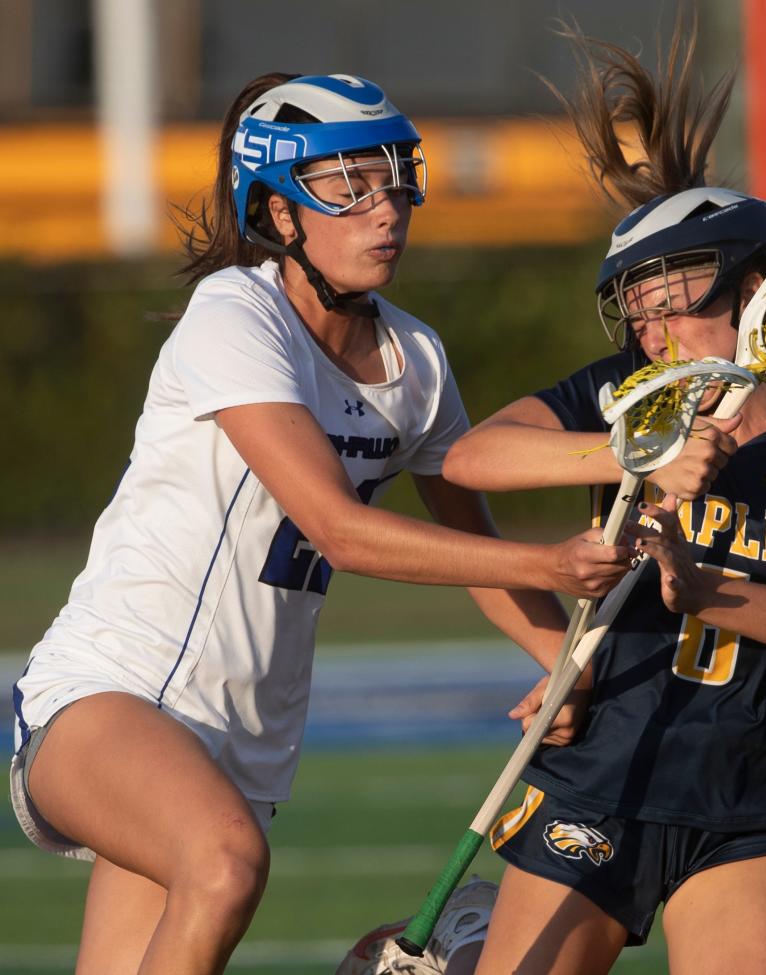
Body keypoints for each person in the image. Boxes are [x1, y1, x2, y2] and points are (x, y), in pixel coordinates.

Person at [7, 71, 657, 975]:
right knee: (224, 862)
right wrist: (560, 561)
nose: (383, 209)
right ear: (279, 215)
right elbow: (339, 529)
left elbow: (477, 552)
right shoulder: (236, 314)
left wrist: (560, 664)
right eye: (346, 187)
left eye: (392, 179)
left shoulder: (416, 358)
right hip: (113, 691)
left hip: (244, 739)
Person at [347, 21, 766, 975]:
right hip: (598, 781)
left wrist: (706, 591)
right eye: (635, 306)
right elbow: (474, 458)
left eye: (674, 294)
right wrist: (633, 453)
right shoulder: (625, 397)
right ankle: (478, 943)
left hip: (749, 804)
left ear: (762, 286)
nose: (651, 327)